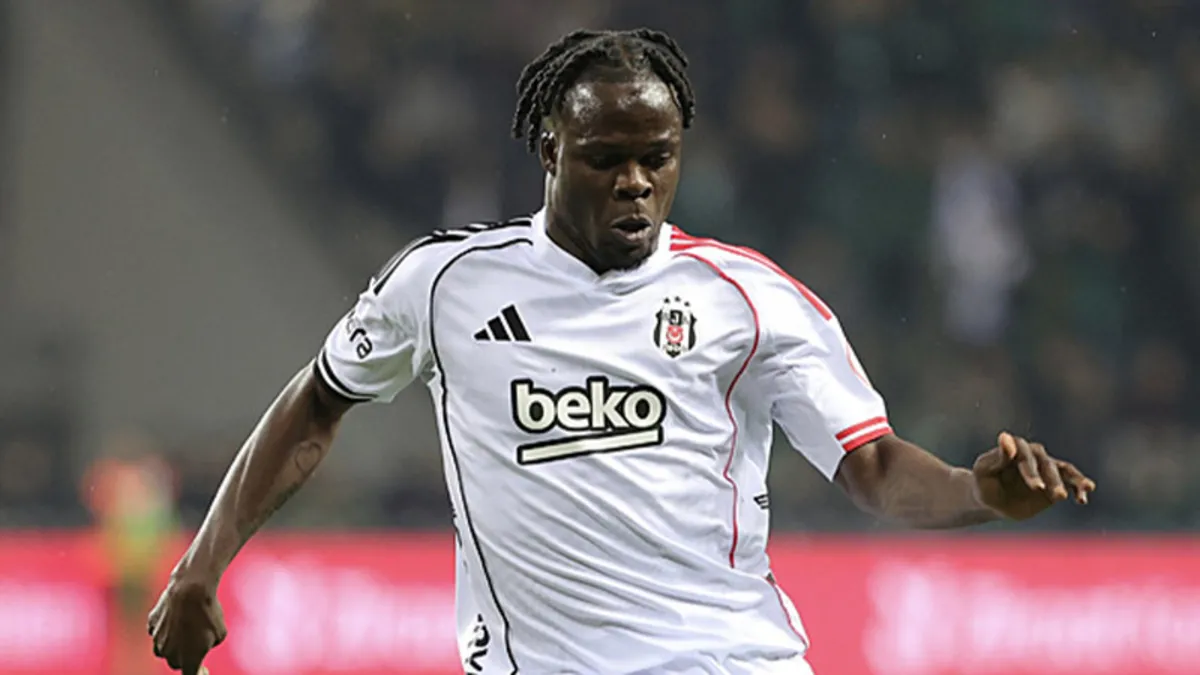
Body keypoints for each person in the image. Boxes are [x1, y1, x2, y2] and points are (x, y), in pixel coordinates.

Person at [148, 28, 1096, 675]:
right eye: (607, 157)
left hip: (728, 660)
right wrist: (202, 561)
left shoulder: (748, 298)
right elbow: (320, 398)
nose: (637, 180)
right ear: (549, 152)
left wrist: (979, 494)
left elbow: (875, 466)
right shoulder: (445, 284)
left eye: (659, 156)